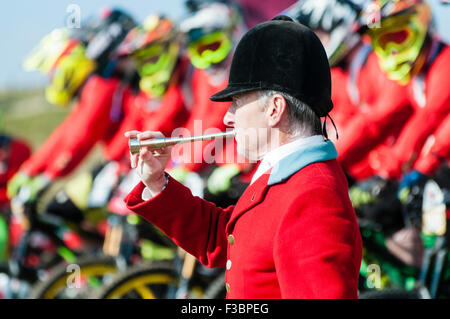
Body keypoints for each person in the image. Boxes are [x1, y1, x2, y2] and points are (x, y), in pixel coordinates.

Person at [124, 16, 362, 298]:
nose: (228, 116)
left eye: (237, 103)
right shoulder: (284, 173)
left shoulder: (312, 196)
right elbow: (228, 239)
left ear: (274, 109)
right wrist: (157, 182)